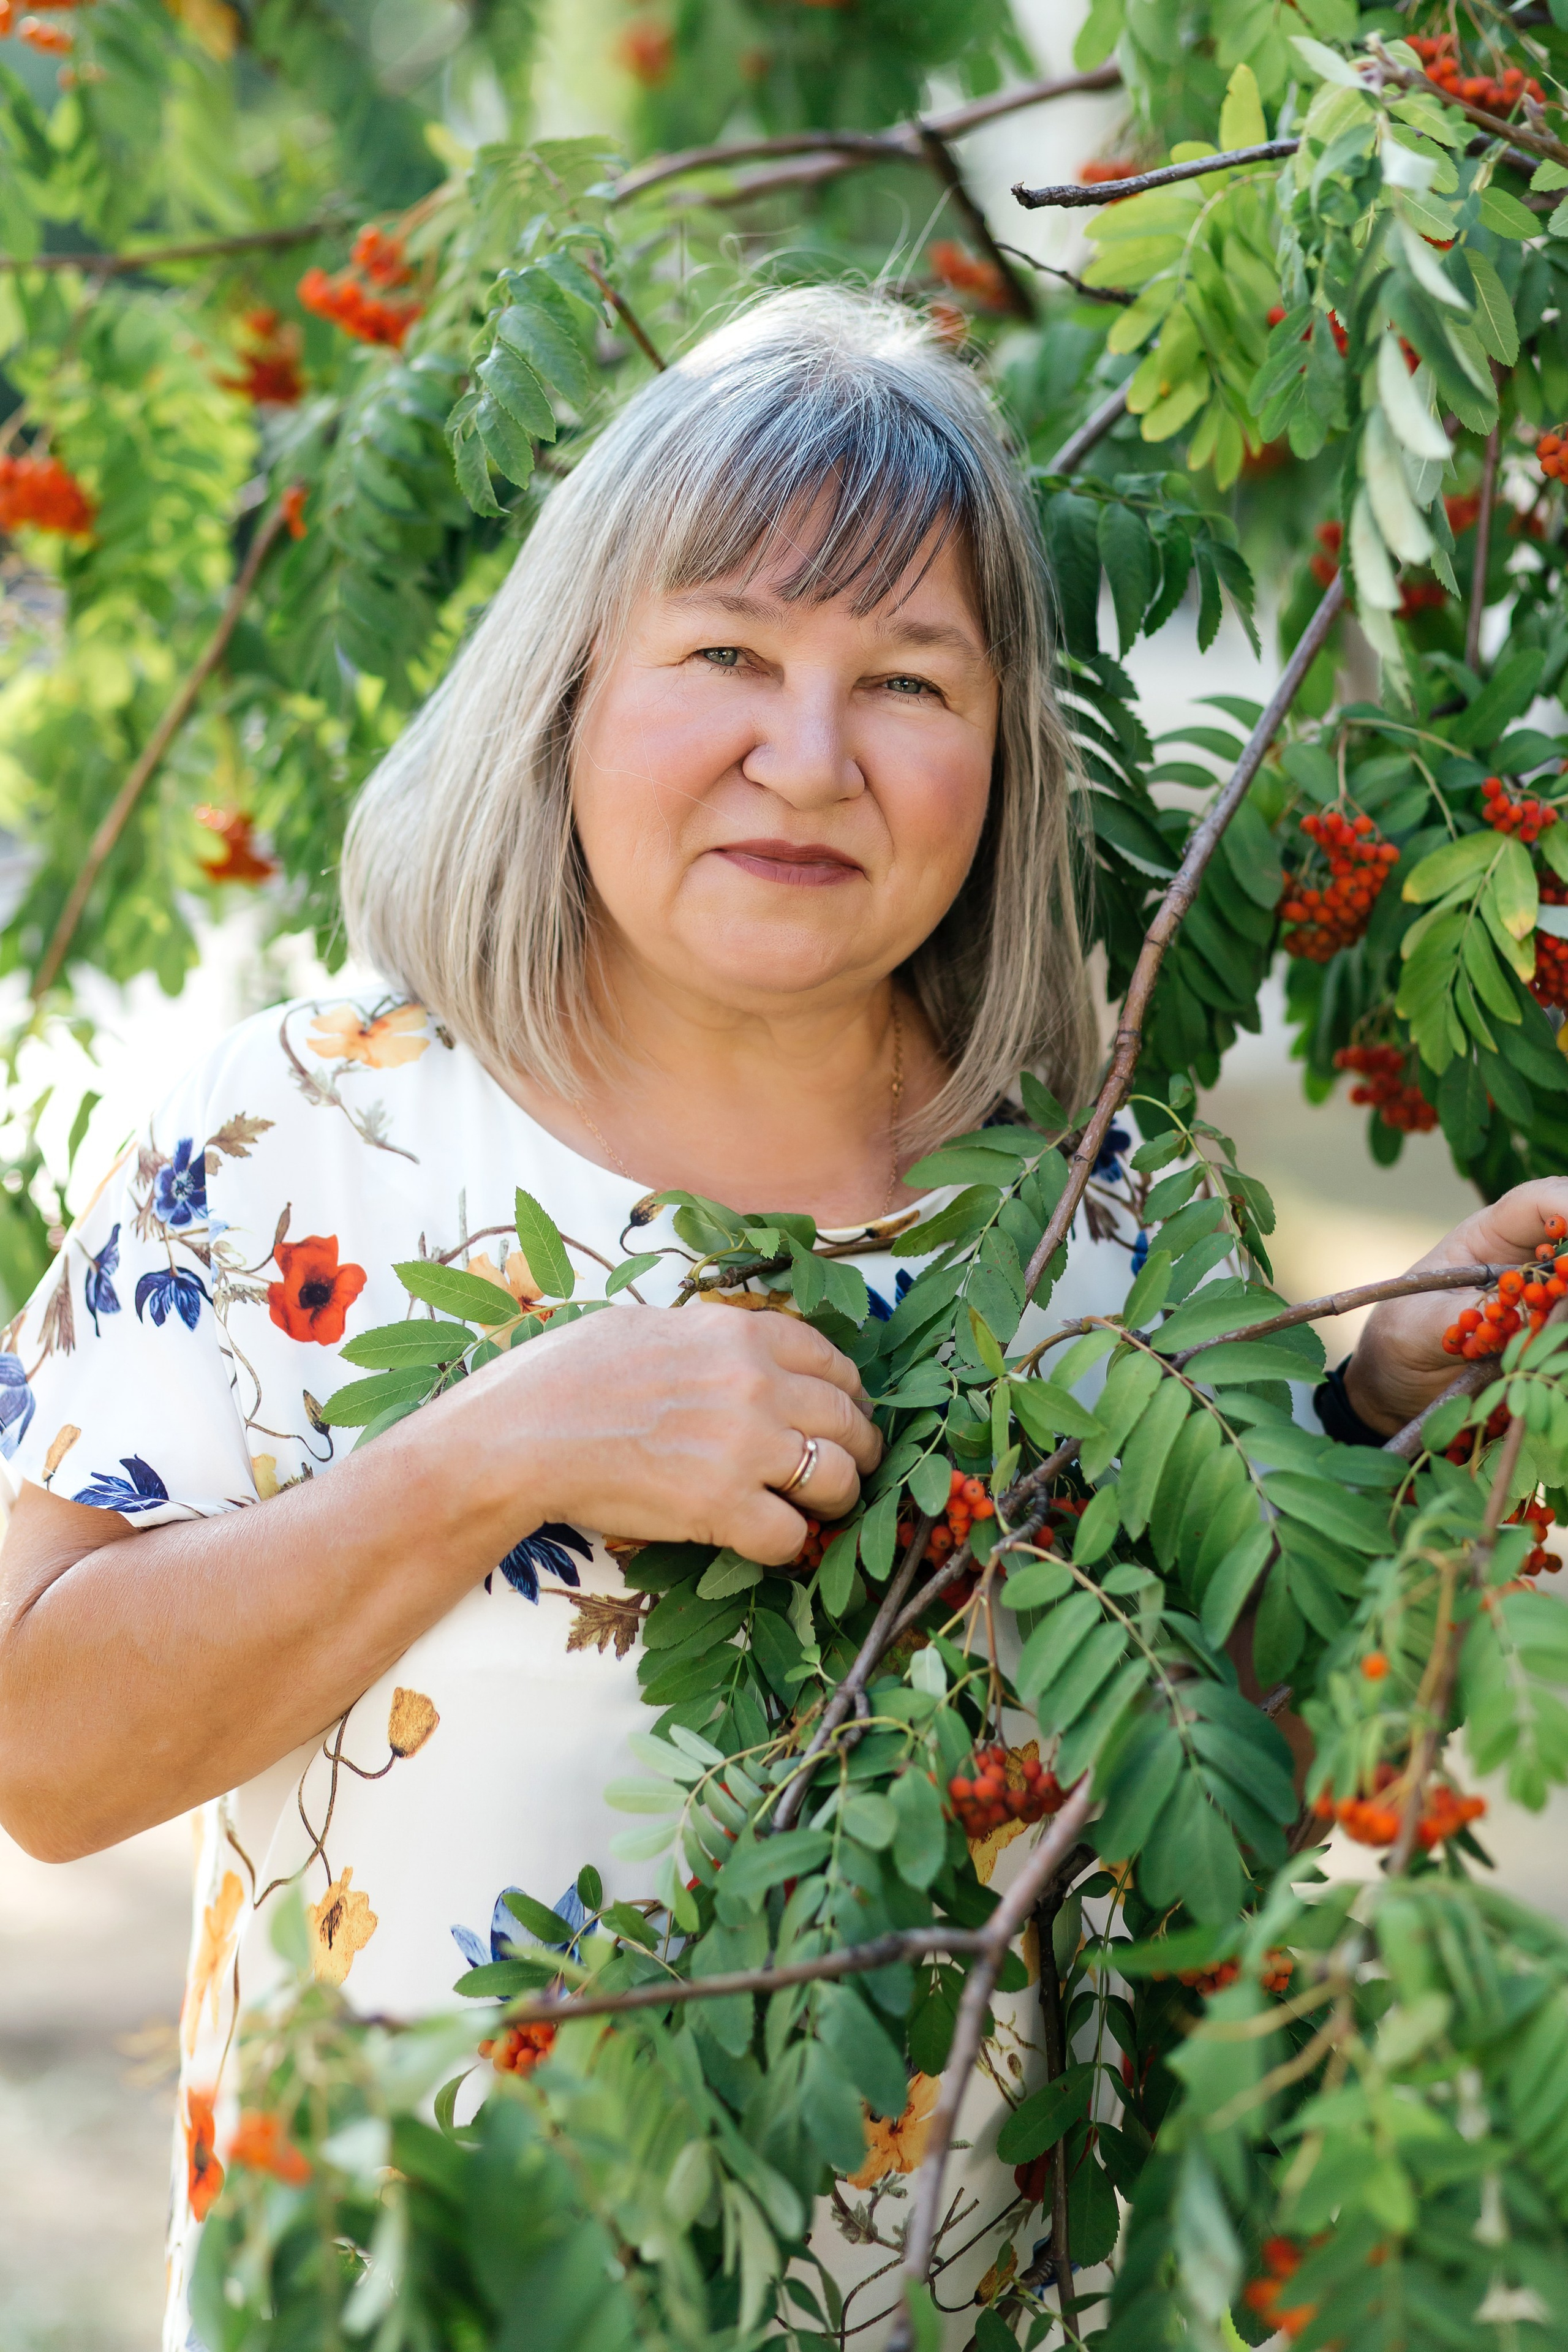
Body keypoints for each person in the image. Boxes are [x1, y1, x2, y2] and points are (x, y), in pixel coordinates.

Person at [0, 288, 1551, 2343]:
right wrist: (500, 1452)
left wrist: (1365, 1420)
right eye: (726, 652)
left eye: (909, 680)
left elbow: (1188, 1811)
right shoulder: (301, 1130)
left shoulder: (1108, 1205)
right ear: (569, 686)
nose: (806, 762)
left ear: (1000, 756)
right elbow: (45, 1754)